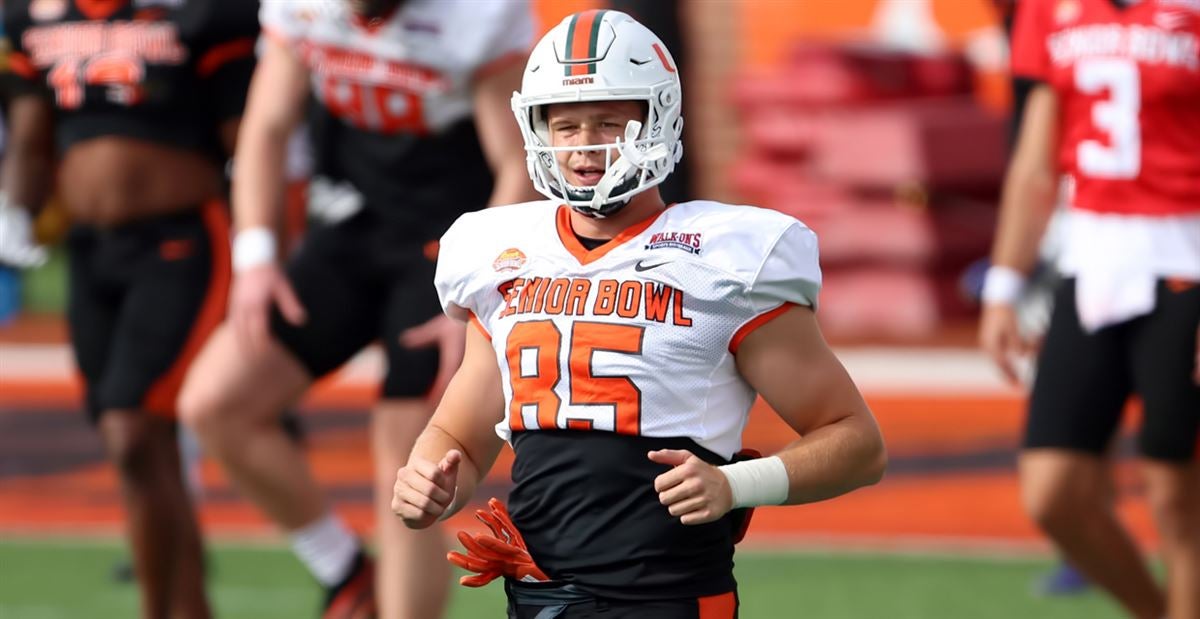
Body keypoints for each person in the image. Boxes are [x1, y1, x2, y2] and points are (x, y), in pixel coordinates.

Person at [391, 10, 888, 618]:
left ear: (658, 120)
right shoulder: (499, 253)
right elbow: (459, 440)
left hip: (667, 600)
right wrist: (431, 480)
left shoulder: (724, 256)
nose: (585, 145)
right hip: (539, 599)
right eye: (566, 125)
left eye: (607, 122)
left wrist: (734, 485)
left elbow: (857, 442)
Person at [176, 1, 537, 617]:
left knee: (408, 456)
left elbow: (517, 163)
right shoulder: (304, 8)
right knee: (216, 402)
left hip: (448, 241)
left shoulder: (476, 15)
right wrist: (257, 257)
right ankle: (345, 570)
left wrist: (481, 297)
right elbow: (266, 126)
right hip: (350, 224)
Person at [0, 1, 259, 617]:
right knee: (146, 445)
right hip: (91, 252)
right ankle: (188, 608)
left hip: (179, 240)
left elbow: (246, 141)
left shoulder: (201, 14)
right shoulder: (35, 16)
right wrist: (13, 209)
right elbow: (31, 135)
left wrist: (262, 245)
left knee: (131, 428)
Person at [979, 0, 1200, 618]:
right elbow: (1035, 159)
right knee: (1052, 490)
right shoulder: (1047, 9)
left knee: (1178, 498)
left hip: (1186, 257)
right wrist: (1004, 284)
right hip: (1093, 261)